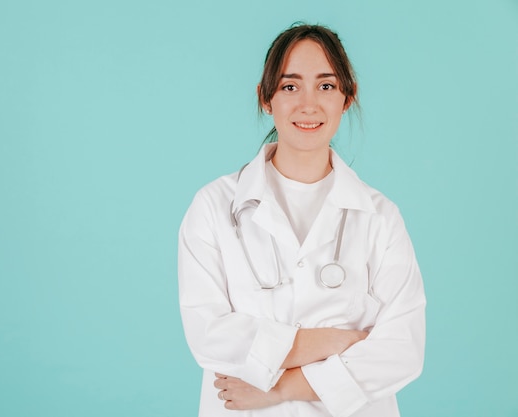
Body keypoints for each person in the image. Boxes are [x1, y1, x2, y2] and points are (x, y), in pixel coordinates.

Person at [178, 23, 425, 417]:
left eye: (326, 86)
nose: (308, 105)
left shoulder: (380, 217)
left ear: (348, 97)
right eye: (290, 86)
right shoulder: (213, 207)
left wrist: (280, 387)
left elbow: (402, 351)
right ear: (265, 98)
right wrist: (336, 340)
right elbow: (210, 337)